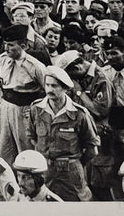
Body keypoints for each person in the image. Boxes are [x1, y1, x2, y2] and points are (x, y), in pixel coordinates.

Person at [28, 65, 99, 201]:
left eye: (55, 86)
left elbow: (92, 148)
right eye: (47, 85)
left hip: (70, 174)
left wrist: (75, 163)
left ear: (65, 88)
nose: (49, 89)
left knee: (75, 207)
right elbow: (31, 137)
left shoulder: (79, 114)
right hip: (44, 172)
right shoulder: (36, 109)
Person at [0, 22, 45, 167]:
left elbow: (47, 89)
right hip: (5, 107)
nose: (6, 48)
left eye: (11, 45)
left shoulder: (35, 66)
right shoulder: (2, 59)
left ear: (24, 45)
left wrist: (35, 109)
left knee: (25, 149)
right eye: (5, 44)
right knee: (3, 148)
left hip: (24, 111)